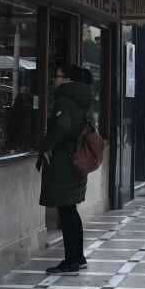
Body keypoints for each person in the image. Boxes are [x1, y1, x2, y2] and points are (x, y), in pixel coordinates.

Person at [39, 64, 95, 275]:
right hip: (76, 160)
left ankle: (71, 260)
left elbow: (61, 127)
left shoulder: (64, 99)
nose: (54, 80)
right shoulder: (83, 99)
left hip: (64, 161)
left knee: (67, 211)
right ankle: (78, 257)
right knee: (71, 210)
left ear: (67, 79)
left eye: (57, 75)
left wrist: (45, 145)